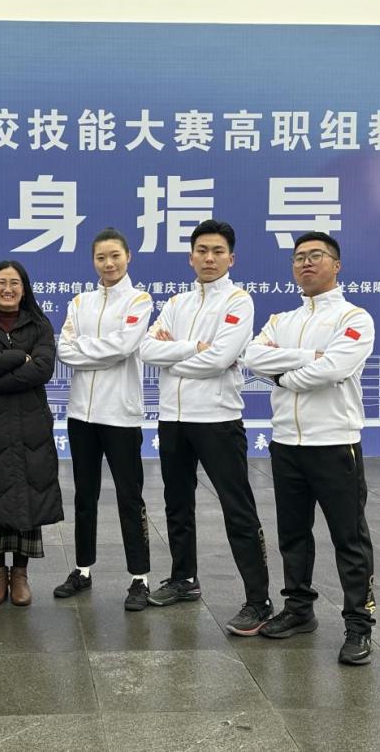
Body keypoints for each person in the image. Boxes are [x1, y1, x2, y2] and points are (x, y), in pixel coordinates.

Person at [244, 231, 376, 665]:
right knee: (293, 534)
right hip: (286, 444)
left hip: (334, 443)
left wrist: (283, 375)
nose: (305, 263)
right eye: (298, 257)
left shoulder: (354, 317)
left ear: (336, 265)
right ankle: (299, 609)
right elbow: (252, 357)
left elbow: (334, 368)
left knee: (349, 538)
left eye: (315, 256)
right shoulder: (282, 319)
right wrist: (309, 357)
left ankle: (359, 624)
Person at [139, 219, 272, 635]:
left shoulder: (238, 301)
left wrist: (175, 360)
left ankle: (259, 600)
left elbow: (220, 359)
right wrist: (193, 349)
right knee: (177, 503)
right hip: (173, 419)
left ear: (231, 258)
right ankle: (184, 579)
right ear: (190, 257)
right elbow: (147, 349)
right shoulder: (176, 303)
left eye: (217, 251)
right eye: (202, 251)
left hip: (217, 419)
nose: (209, 258)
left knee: (238, 508)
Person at [55, 228, 154, 610]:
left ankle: (140, 577)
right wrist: (100, 351)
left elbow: (125, 346)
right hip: (81, 414)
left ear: (128, 256)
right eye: (101, 257)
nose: (108, 264)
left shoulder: (139, 300)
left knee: (130, 496)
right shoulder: (80, 302)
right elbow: (64, 350)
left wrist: (86, 349)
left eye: (115, 256)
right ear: (93, 261)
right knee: (84, 495)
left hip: (120, 415)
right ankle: (82, 569)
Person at [0, 260, 64, 606]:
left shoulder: (40, 324)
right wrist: (20, 356)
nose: (8, 289)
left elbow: (43, 369)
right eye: (1, 282)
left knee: (25, 499)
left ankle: (19, 574)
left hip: (28, 425)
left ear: (24, 288)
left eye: (14, 283)